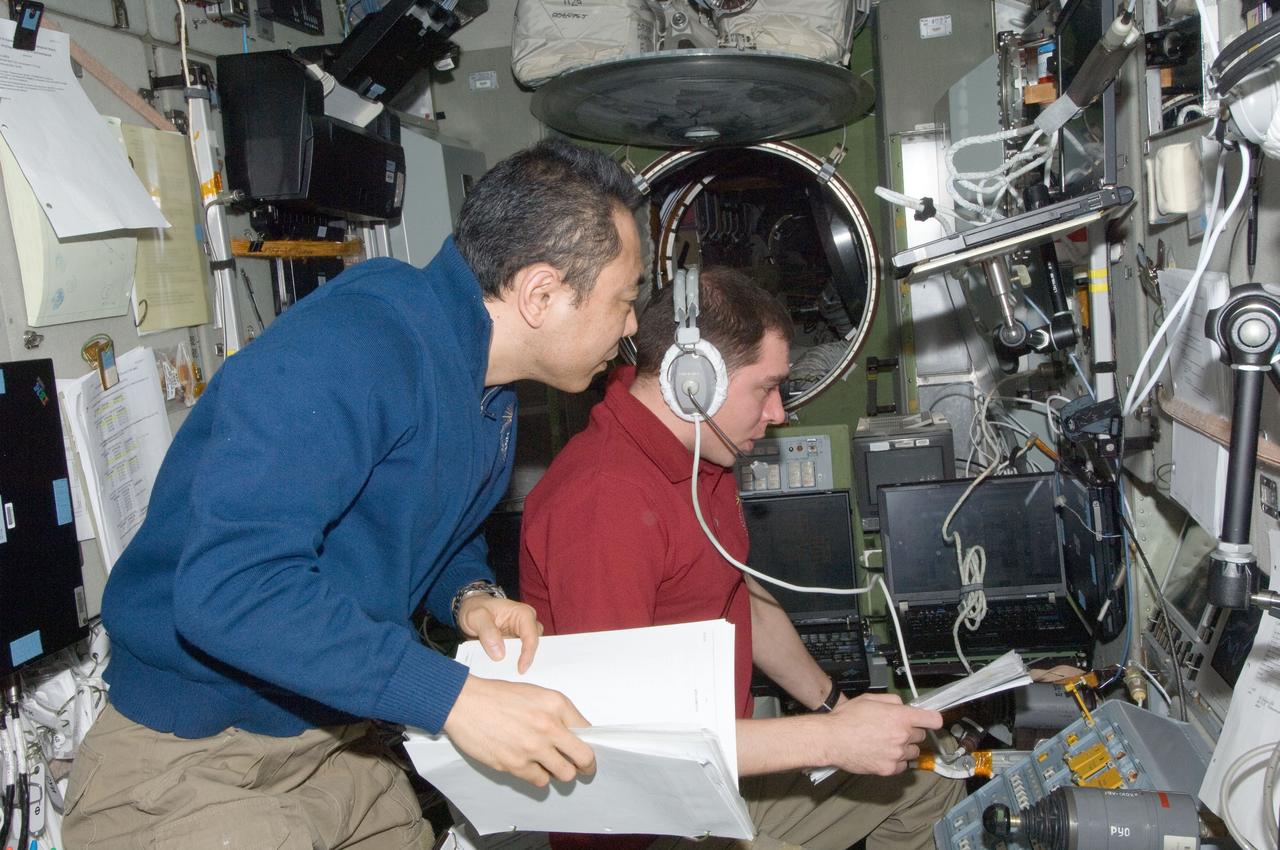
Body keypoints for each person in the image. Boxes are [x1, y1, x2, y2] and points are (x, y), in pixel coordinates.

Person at [62, 137, 646, 850]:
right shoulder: (353, 350)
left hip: (333, 740)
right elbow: (231, 586)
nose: (632, 326)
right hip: (193, 759)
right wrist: (453, 699)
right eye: (623, 300)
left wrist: (469, 594)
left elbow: (420, 512)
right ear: (540, 293)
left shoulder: (482, 383)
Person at [520, 266, 965, 850]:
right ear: (693, 381)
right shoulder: (605, 502)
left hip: (713, 779)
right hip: (646, 820)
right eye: (766, 387)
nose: (779, 412)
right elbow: (624, 738)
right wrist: (831, 742)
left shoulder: (705, 453)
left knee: (927, 782)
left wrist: (838, 709)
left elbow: (741, 601)